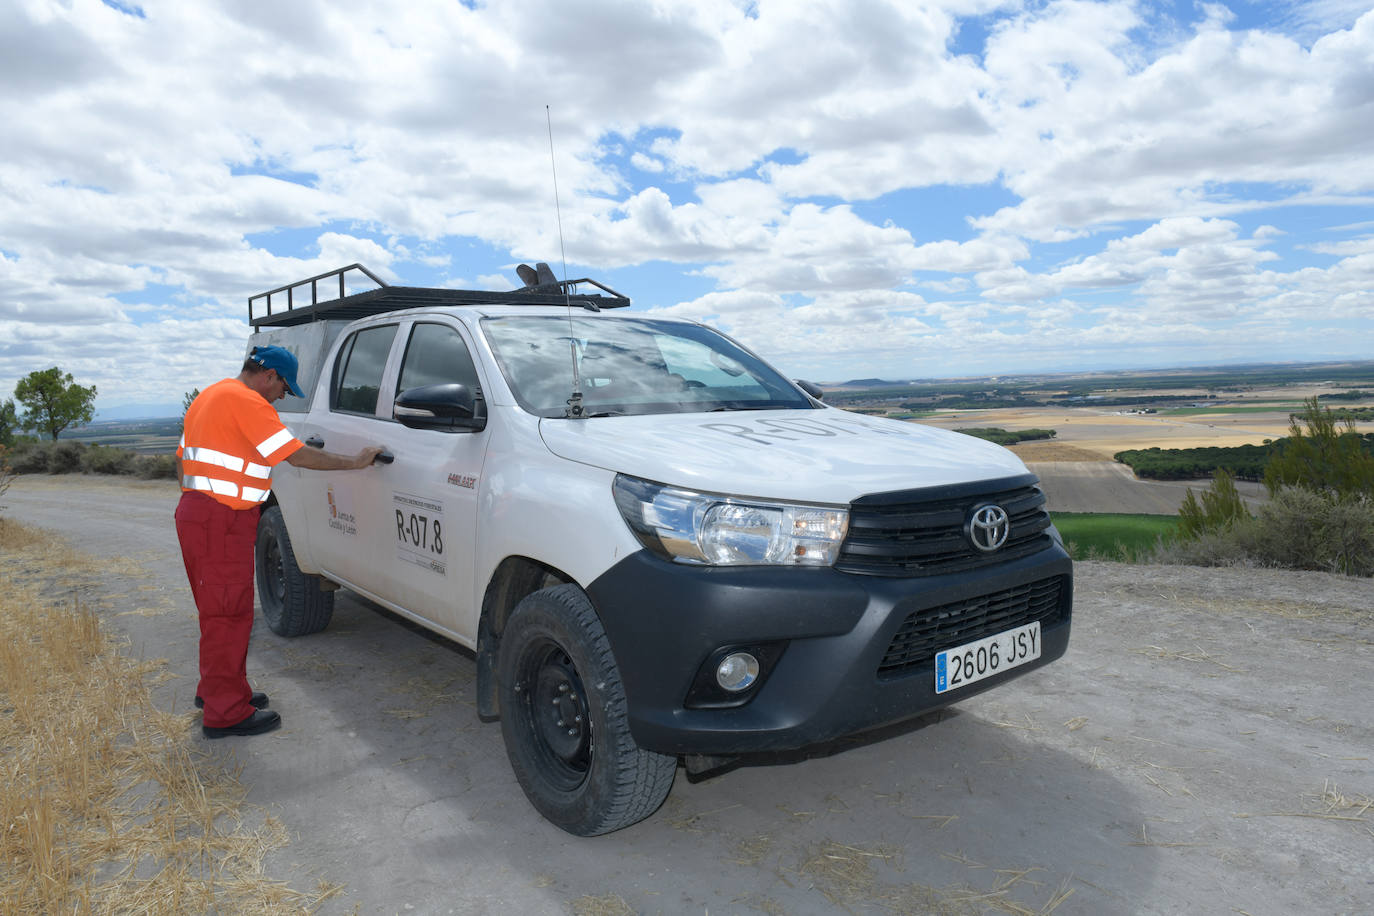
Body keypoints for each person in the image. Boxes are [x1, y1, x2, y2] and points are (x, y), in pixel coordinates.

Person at [176, 345, 385, 738]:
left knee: (217, 610)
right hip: (222, 519)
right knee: (228, 614)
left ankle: (220, 691)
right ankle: (225, 714)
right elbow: (297, 456)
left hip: (198, 513)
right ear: (269, 375)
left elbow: (180, 460)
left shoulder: (210, 396)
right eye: (284, 389)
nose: (281, 397)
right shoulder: (249, 403)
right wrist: (355, 463)